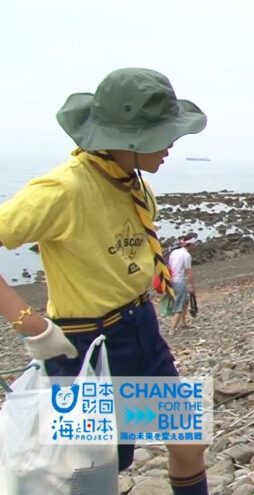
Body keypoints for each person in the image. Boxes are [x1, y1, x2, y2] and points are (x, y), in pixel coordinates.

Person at [0, 68, 210, 494]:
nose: (171, 144)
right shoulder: (62, 190)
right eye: (161, 134)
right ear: (125, 140)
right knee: (93, 472)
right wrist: (28, 322)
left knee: (189, 437)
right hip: (84, 348)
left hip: (140, 330)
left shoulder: (135, 185)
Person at [168, 238, 197, 334]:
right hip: (179, 281)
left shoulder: (174, 252)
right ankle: (172, 329)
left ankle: (184, 323)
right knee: (180, 304)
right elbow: (189, 272)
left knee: (185, 301)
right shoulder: (186, 255)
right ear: (190, 245)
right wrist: (191, 286)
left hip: (171, 280)